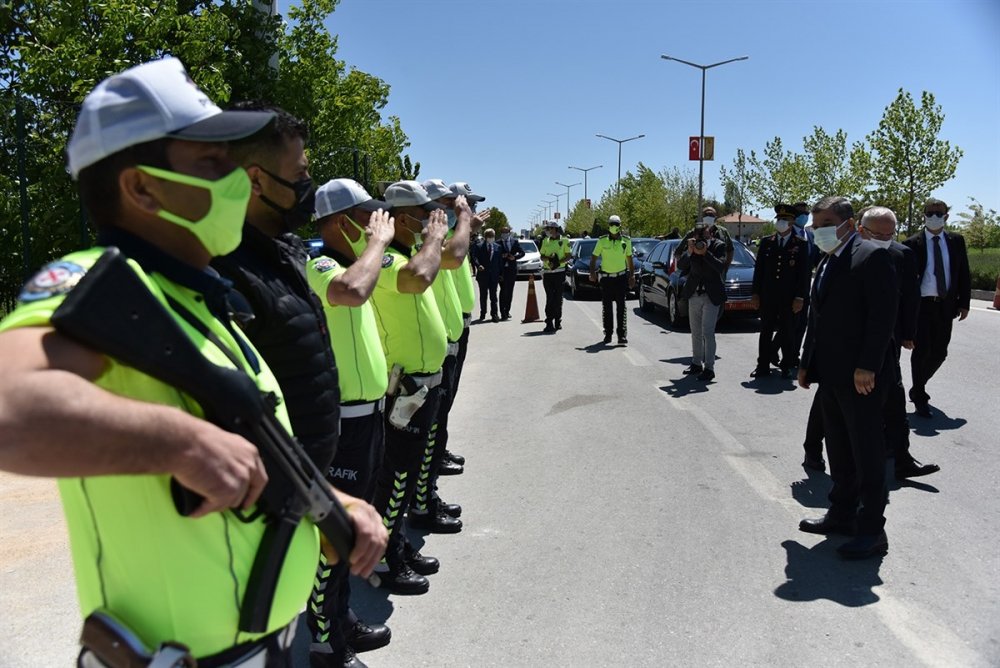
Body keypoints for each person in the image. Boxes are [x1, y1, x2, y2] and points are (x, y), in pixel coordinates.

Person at [0, 57, 385, 665]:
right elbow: (9, 408)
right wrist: (179, 442)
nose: (236, 180)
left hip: (274, 644)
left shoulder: (195, 298)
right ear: (141, 187)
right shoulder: (93, 289)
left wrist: (328, 508)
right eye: (210, 163)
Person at [303, 179, 398, 668]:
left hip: (370, 414)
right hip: (342, 421)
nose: (375, 223)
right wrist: (380, 245)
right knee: (333, 536)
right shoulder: (320, 264)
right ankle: (324, 641)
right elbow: (351, 292)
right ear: (342, 222)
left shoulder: (353, 261)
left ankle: (340, 620)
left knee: (355, 520)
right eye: (367, 216)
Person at [797, 196, 898, 560]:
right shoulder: (828, 260)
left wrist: (867, 365)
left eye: (825, 223)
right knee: (839, 449)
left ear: (848, 223)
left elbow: (883, 317)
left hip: (861, 377)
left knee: (867, 453)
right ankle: (841, 514)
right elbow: (818, 319)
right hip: (832, 375)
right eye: (815, 223)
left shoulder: (871, 257)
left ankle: (872, 530)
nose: (818, 230)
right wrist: (807, 363)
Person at [367, 180, 449, 595]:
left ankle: (395, 544)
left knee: (408, 472)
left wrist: (430, 242)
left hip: (424, 385)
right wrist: (434, 240)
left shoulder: (410, 253)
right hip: (406, 389)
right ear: (400, 218)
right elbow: (417, 279)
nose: (430, 221)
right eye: (423, 214)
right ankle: (384, 558)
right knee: (396, 479)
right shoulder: (386, 260)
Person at [858, 207, 940, 479]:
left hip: (888, 342)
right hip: (853, 345)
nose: (883, 238)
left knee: (894, 400)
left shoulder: (901, 254)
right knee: (839, 405)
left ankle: (902, 458)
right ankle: (818, 451)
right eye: (877, 233)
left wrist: (908, 332)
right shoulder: (849, 255)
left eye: (889, 233)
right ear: (861, 229)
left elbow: (910, 298)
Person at [903, 198, 971, 417]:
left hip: (945, 306)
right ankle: (920, 396)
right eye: (929, 213)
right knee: (921, 351)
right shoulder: (912, 243)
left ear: (946, 216)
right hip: (921, 306)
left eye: (938, 213)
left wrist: (964, 303)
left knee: (940, 352)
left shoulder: (956, 241)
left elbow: (963, 273)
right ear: (923, 215)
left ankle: (917, 386)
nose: (933, 217)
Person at [750, 204, 811, 378]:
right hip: (768, 296)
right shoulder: (767, 242)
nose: (781, 223)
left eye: (785, 220)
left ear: (792, 222)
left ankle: (786, 364)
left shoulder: (800, 244)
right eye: (779, 220)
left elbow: (804, 274)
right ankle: (762, 365)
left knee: (787, 331)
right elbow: (759, 270)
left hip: (789, 297)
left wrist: (800, 297)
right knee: (766, 331)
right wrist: (755, 293)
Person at [677, 222, 727, 381]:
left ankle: (709, 368)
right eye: (698, 237)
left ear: (710, 235)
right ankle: (696, 363)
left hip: (711, 295)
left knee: (707, 332)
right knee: (695, 332)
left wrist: (705, 253)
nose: (701, 240)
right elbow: (681, 266)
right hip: (694, 294)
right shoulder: (692, 248)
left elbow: (720, 267)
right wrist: (690, 252)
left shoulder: (719, 246)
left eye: (704, 236)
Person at [589, 214, 635, 344]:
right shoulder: (602, 240)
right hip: (606, 278)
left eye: (616, 224)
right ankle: (608, 334)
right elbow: (593, 257)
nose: (613, 227)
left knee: (621, 307)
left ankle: (621, 335)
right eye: (611, 224)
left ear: (620, 226)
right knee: (607, 307)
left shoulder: (626, 241)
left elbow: (629, 259)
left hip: (620, 277)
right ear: (608, 226)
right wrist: (592, 272)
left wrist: (632, 275)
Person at [676, 206, 734, 273]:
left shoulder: (723, 232)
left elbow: (730, 250)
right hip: (696, 275)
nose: (708, 217)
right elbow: (678, 253)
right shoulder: (693, 232)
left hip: (715, 274)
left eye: (711, 215)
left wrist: (726, 267)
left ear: (715, 218)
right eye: (706, 215)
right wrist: (686, 263)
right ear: (702, 218)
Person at [539, 221, 572, 332]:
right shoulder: (545, 241)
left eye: (550, 229)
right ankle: (549, 322)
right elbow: (542, 256)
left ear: (556, 229)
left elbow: (568, 256)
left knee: (558, 298)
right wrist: (549, 259)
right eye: (547, 229)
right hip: (548, 273)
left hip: (559, 273)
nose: (548, 231)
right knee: (550, 298)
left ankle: (557, 321)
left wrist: (558, 262)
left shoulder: (564, 241)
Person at [474, 227, 502, 322]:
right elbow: (475, 258)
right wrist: (478, 266)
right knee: (483, 295)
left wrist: (500, 274)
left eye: (492, 236)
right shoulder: (479, 246)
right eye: (489, 236)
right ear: (485, 237)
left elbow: (500, 262)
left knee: (493, 296)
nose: (491, 238)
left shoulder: (498, 247)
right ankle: (483, 313)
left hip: (494, 276)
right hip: (483, 275)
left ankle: (494, 314)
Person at [498, 225, 524, 320]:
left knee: (509, 291)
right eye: (502, 232)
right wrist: (502, 256)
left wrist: (514, 257)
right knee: (503, 290)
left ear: (509, 233)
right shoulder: (498, 242)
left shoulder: (514, 242)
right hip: (502, 271)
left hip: (511, 270)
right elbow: (495, 255)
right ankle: (502, 312)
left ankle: (507, 310)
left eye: (506, 232)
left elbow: (522, 253)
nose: (504, 234)